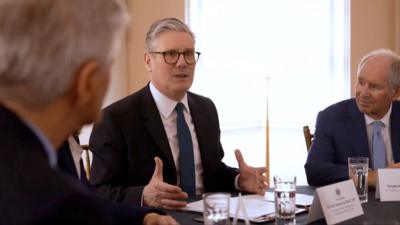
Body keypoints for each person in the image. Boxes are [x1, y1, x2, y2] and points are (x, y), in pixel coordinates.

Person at [0, 0, 177, 224]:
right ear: (87, 82)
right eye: (109, 64)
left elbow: (89, 202)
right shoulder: (50, 204)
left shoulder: (52, 143)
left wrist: (144, 219)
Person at [89, 17, 268, 209]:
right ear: (148, 61)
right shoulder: (115, 119)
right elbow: (97, 192)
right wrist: (143, 196)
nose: (182, 63)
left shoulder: (206, 108)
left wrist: (238, 180)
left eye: (189, 53)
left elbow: (213, 171)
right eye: (171, 54)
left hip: (208, 218)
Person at [304, 48, 400, 187]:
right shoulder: (331, 118)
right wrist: (369, 176)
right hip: (356, 205)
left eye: (374, 86)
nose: (363, 93)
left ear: (396, 92)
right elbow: (315, 171)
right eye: (360, 82)